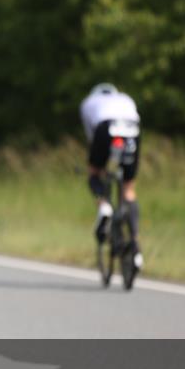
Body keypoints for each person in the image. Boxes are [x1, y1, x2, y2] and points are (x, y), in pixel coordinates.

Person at [80, 83, 143, 270]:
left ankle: (104, 206)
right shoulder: (126, 98)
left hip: (106, 128)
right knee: (129, 188)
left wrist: (97, 165)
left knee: (94, 173)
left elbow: (92, 136)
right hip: (132, 130)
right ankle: (136, 248)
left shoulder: (88, 103)